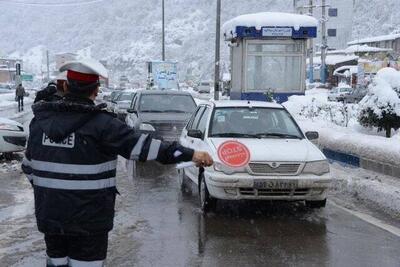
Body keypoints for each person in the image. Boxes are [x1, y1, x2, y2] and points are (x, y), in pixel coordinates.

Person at [21, 59, 213, 267]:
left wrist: (54, 195)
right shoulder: (104, 126)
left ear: (65, 87)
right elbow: (148, 148)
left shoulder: (40, 124)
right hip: (89, 222)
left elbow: (28, 167)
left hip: (51, 218)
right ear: (95, 91)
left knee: (56, 263)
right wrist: (191, 154)